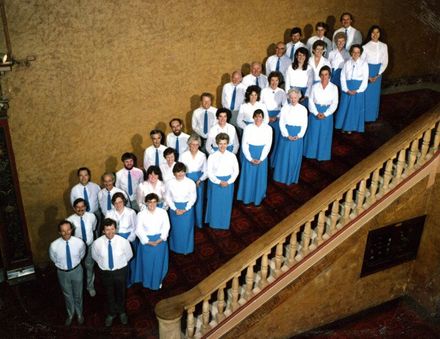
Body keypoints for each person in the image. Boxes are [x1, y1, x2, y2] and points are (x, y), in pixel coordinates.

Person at [91, 218, 133, 327]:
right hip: (105, 273)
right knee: (108, 293)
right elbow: (95, 257)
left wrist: (119, 265)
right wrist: (104, 265)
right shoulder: (97, 243)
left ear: (116, 229)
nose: (110, 232)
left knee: (121, 292)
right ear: (103, 230)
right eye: (107, 230)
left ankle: (122, 312)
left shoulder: (123, 242)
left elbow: (129, 255)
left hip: (120, 271)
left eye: (112, 229)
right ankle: (111, 313)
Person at [49, 220, 86, 326]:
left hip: (77, 271)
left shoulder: (79, 242)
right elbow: (54, 259)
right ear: (59, 232)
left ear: (72, 230)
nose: (66, 233)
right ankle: (70, 314)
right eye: (63, 231)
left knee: (78, 294)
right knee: (67, 295)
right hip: (63, 273)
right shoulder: (54, 245)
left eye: (68, 230)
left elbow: (82, 254)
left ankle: (79, 313)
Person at [134, 193, 170, 290]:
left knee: (158, 263)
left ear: (157, 202)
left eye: (154, 202)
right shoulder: (141, 214)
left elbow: (166, 227)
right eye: (149, 202)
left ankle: (157, 282)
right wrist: (147, 241)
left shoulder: (163, 212)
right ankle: (147, 282)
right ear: (146, 203)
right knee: (147, 264)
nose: (152, 204)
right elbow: (138, 230)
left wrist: (161, 239)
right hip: (146, 242)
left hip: (160, 241)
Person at [237, 109, 273, 206]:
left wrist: (261, 158)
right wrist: (250, 158)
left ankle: (258, 198)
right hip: (249, 154)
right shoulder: (248, 128)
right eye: (256, 116)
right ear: (253, 117)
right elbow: (244, 144)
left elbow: (268, 145)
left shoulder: (268, 128)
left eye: (260, 116)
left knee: (260, 178)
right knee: (248, 177)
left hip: (262, 155)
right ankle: (246, 198)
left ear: (263, 117)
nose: (258, 118)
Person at [273, 88, 308, 185]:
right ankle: (281, 177)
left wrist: (299, 135)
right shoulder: (285, 108)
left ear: (299, 97)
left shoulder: (303, 109)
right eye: (291, 98)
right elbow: (282, 123)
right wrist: (286, 135)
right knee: (284, 156)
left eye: (295, 97)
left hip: (297, 135)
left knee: (294, 157)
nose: (293, 100)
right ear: (288, 98)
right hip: (286, 135)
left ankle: (291, 178)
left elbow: (304, 124)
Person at [304, 66, 339, 161]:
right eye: (322, 75)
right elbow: (310, 101)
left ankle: (322, 156)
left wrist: (326, 114)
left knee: (324, 135)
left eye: (326, 74)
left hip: (327, 114)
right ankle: (311, 154)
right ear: (319, 76)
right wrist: (316, 113)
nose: (324, 77)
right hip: (315, 112)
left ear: (329, 76)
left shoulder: (334, 88)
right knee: (313, 133)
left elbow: (335, 103)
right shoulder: (315, 86)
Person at [205, 133, 239, 230]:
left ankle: (224, 223)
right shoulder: (212, 156)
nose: (222, 146)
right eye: (220, 144)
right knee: (215, 203)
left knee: (226, 204)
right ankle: (214, 223)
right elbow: (209, 172)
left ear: (228, 144)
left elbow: (236, 171)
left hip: (228, 183)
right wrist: (218, 181)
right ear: (217, 144)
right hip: (216, 183)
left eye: (224, 143)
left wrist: (229, 181)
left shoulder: (232, 156)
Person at [335, 44, 369, 133]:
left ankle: (350, 128)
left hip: (357, 89)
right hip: (347, 88)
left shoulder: (364, 64)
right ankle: (343, 126)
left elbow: (365, 80)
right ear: (351, 53)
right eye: (354, 52)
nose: (355, 54)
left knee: (354, 109)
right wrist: (346, 89)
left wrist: (358, 90)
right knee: (345, 108)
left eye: (358, 52)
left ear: (360, 53)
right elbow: (342, 76)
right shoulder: (347, 63)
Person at [66, 198, 96, 298]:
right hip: (76, 249)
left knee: (90, 267)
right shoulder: (69, 220)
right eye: (77, 207)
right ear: (74, 209)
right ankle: (79, 288)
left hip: (89, 246)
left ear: (86, 207)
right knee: (78, 269)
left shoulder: (92, 216)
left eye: (82, 206)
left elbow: (93, 228)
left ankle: (90, 286)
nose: (80, 209)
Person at [105, 192, 137, 286]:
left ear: (124, 201)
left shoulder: (131, 212)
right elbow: (107, 229)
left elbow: (135, 228)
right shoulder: (109, 213)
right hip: (115, 240)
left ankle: (131, 279)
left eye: (120, 202)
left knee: (129, 260)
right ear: (113, 203)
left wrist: (129, 240)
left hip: (129, 239)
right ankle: (120, 280)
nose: (118, 205)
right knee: (119, 261)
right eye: (115, 203)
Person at [165, 162, 197, 254]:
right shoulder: (169, 183)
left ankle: (186, 249)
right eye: (178, 172)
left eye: (182, 172)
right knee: (175, 229)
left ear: (185, 172)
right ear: (174, 173)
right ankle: (175, 248)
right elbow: (167, 197)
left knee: (187, 229)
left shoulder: (190, 183)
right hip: (174, 208)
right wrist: (174, 208)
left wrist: (186, 208)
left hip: (187, 209)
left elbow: (193, 197)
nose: (180, 174)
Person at [180, 134, 208, 228]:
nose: (194, 146)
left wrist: (200, 180)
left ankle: (199, 223)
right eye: (192, 144)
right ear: (189, 144)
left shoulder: (202, 155)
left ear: (199, 145)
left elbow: (206, 171)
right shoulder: (183, 155)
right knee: (188, 201)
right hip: (186, 179)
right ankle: (189, 224)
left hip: (199, 180)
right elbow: (180, 170)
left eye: (196, 144)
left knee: (199, 202)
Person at [362, 25, 388, 122]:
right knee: (366, 94)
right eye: (373, 32)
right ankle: (365, 117)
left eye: (377, 32)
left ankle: (372, 116)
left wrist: (378, 74)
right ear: (370, 34)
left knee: (375, 95)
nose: (375, 34)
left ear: (380, 34)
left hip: (378, 73)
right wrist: (368, 77)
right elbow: (362, 63)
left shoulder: (384, 46)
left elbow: (385, 61)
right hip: (367, 72)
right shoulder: (365, 47)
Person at [260, 71, 287, 166]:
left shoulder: (282, 92)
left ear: (279, 81)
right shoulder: (264, 91)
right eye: (272, 80)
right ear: (269, 80)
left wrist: (277, 117)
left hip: (277, 118)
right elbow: (261, 105)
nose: (274, 82)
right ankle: (264, 161)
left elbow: (285, 107)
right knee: (265, 140)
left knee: (275, 140)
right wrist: (267, 117)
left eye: (276, 80)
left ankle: (273, 163)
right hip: (265, 117)